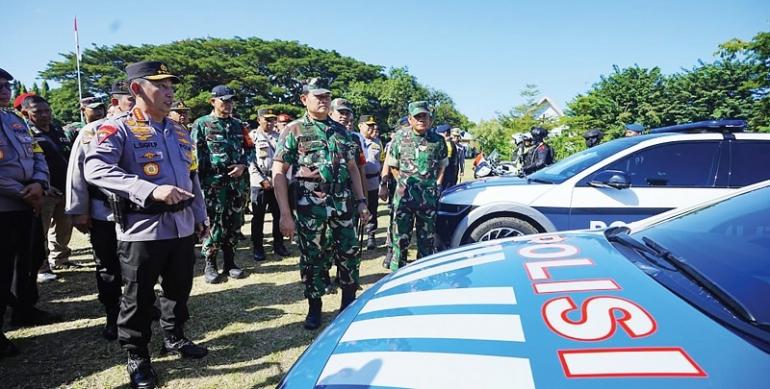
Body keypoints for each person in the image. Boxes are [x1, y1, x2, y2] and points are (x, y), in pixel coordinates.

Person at [84, 61, 210, 389]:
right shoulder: (118, 128)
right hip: (142, 229)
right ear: (137, 89)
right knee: (138, 296)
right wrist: (150, 190)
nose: (169, 92)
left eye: (171, 85)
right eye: (161, 86)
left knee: (178, 289)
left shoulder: (180, 131)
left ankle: (175, 337)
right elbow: (95, 169)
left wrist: (200, 216)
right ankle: (137, 355)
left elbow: (192, 178)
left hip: (182, 227)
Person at [272, 78, 370, 330]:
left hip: (343, 206)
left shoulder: (343, 132)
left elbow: (352, 168)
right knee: (312, 258)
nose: (324, 100)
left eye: (327, 96)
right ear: (304, 99)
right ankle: (314, 308)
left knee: (349, 254)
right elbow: (279, 171)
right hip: (310, 209)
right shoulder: (293, 130)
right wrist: (285, 213)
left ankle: (348, 305)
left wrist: (361, 201)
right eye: (318, 96)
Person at [65, 79, 135, 341]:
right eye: (130, 100)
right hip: (103, 213)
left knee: (139, 264)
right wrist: (78, 210)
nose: (135, 105)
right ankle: (112, 313)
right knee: (108, 266)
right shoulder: (92, 131)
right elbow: (77, 173)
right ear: (115, 101)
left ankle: (139, 306)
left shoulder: (143, 129)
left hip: (138, 214)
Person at [0, 67, 50, 357]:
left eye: (7, 84)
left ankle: (25, 310)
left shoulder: (16, 120)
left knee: (30, 259)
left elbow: (37, 155)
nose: (5, 89)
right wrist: (23, 191)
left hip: (27, 203)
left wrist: (39, 183)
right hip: (6, 205)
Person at [191, 85, 250, 284]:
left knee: (234, 222)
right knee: (214, 224)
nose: (228, 104)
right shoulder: (202, 124)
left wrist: (243, 165)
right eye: (224, 101)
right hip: (212, 183)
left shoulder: (238, 125)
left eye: (231, 101)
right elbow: (194, 155)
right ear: (212, 101)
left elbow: (248, 149)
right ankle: (210, 263)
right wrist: (197, 184)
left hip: (236, 183)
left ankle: (231, 262)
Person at [385, 101, 448, 271]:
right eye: (417, 116)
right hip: (404, 197)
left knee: (426, 239)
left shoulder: (438, 140)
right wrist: (401, 182)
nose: (421, 120)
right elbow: (393, 164)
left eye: (424, 116)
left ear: (430, 120)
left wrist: (437, 183)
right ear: (410, 119)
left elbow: (443, 165)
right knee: (400, 237)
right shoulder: (399, 137)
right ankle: (397, 272)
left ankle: (424, 273)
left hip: (428, 198)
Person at [21, 95, 74, 282]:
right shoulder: (26, 134)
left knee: (64, 226)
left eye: (47, 111)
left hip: (64, 188)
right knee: (39, 231)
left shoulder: (58, 130)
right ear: (26, 113)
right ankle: (41, 267)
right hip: (43, 191)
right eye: (38, 112)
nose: (44, 115)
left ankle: (61, 259)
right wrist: (44, 186)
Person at [249, 108, 289, 261]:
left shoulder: (279, 137)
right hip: (259, 183)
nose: (271, 122)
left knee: (278, 214)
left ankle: (279, 244)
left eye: (273, 119)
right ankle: (258, 247)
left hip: (277, 180)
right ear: (259, 119)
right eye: (267, 119)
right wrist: (261, 179)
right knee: (258, 216)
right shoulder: (252, 136)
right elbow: (249, 160)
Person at [359, 115, 382, 250]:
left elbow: (382, 160)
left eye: (373, 125)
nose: (371, 128)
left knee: (372, 207)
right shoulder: (354, 140)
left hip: (372, 180)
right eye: (368, 125)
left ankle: (371, 235)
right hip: (357, 181)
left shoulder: (377, 142)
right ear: (360, 125)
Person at [435, 124, 458, 191]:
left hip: (445, 173)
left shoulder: (445, 144)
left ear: (444, 133)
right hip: (450, 173)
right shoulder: (451, 143)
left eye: (439, 133)